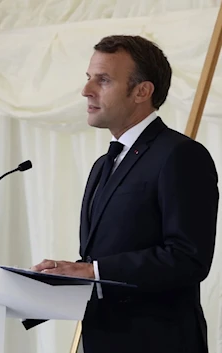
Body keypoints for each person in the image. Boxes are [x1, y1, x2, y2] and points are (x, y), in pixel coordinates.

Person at [31, 35, 219, 353]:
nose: (86, 90)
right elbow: (106, 256)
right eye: (88, 78)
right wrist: (62, 276)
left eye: (103, 80)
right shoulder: (103, 165)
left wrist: (93, 271)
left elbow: (188, 258)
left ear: (142, 91)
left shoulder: (181, 155)